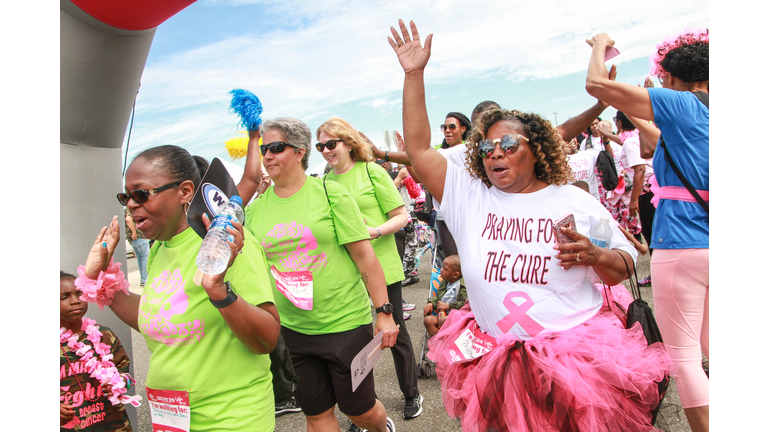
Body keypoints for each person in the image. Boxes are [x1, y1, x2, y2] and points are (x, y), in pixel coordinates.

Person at [388, 20, 672, 431]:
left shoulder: (571, 199)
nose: (494, 154)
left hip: (574, 356)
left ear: (535, 151)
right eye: (486, 147)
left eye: (507, 145)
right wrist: (414, 75)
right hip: (496, 354)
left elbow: (625, 264)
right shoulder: (469, 195)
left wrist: (596, 255)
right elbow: (416, 148)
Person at [78, 145, 281, 431]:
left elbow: (267, 339)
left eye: (140, 194)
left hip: (228, 418)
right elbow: (157, 317)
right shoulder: (161, 246)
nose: (131, 205)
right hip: (172, 418)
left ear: (185, 191)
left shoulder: (226, 243)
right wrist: (100, 275)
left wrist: (219, 291)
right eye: (126, 197)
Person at [239, 118, 399, 432]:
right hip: (293, 331)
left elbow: (364, 256)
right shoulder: (255, 212)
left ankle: (382, 428)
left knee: (360, 411)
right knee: (316, 415)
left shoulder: (331, 195)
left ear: (300, 152)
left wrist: (384, 312)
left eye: (275, 148)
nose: (267, 156)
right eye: (263, 149)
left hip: (345, 324)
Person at [586, 28, 709, 432]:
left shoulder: (684, 104)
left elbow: (596, 84)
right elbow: (659, 144)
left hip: (682, 245)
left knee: (684, 356)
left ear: (672, 80)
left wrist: (601, 46)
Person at [315, 116, 423, 419]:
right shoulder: (324, 183)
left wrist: (374, 231)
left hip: (382, 267)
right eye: (320, 145)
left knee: (395, 332)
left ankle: (411, 393)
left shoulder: (372, 171)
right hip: (348, 274)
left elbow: (402, 216)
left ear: (348, 143)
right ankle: (364, 409)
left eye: (330, 144)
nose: (325, 150)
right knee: (359, 343)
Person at [60, 271, 133, 431]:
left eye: (79, 293)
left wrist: (120, 382)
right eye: (64, 297)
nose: (75, 301)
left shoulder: (104, 335)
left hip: (113, 425)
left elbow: (126, 373)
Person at [423, 255, 467, 336]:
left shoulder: (463, 287)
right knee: (428, 320)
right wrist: (431, 303)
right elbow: (440, 296)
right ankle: (438, 342)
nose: (441, 270)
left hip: (459, 316)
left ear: (455, 275)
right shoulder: (446, 281)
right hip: (444, 313)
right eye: (442, 267)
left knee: (443, 320)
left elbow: (465, 304)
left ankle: (447, 342)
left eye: (445, 269)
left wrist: (448, 306)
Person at [124, 208, 149, 287]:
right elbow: (128, 219)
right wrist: (134, 232)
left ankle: (143, 279)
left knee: (140, 258)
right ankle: (145, 279)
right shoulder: (130, 209)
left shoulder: (126, 209)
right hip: (139, 237)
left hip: (133, 239)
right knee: (145, 258)